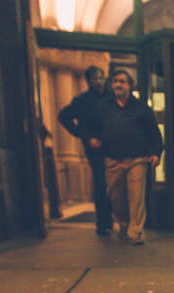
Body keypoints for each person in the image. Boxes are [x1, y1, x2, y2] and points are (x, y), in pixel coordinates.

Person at [90, 69, 162, 245]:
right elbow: (94, 127)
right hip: (113, 159)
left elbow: (153, 132)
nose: (118, 84)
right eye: (115, 81)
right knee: (116, 198)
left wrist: (156, 152)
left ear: (130, 85)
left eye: (122, 81)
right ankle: (123, 223)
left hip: (137, 159)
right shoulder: (104, 107)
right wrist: (93, 138)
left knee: (137, 196)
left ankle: (136, 232)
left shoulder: (141, 108)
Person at [57, 66, 112, 235]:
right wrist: (85, 137)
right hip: (95, 147)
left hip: (113, 145)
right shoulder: (82, 100)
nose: (98, 81)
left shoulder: (111, 96)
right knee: (101, 183)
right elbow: (64, 116)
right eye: (94, 78)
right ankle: (103, 222)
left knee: (115, 182)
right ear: (88, 81)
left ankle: (117, 219)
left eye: (100, 77)